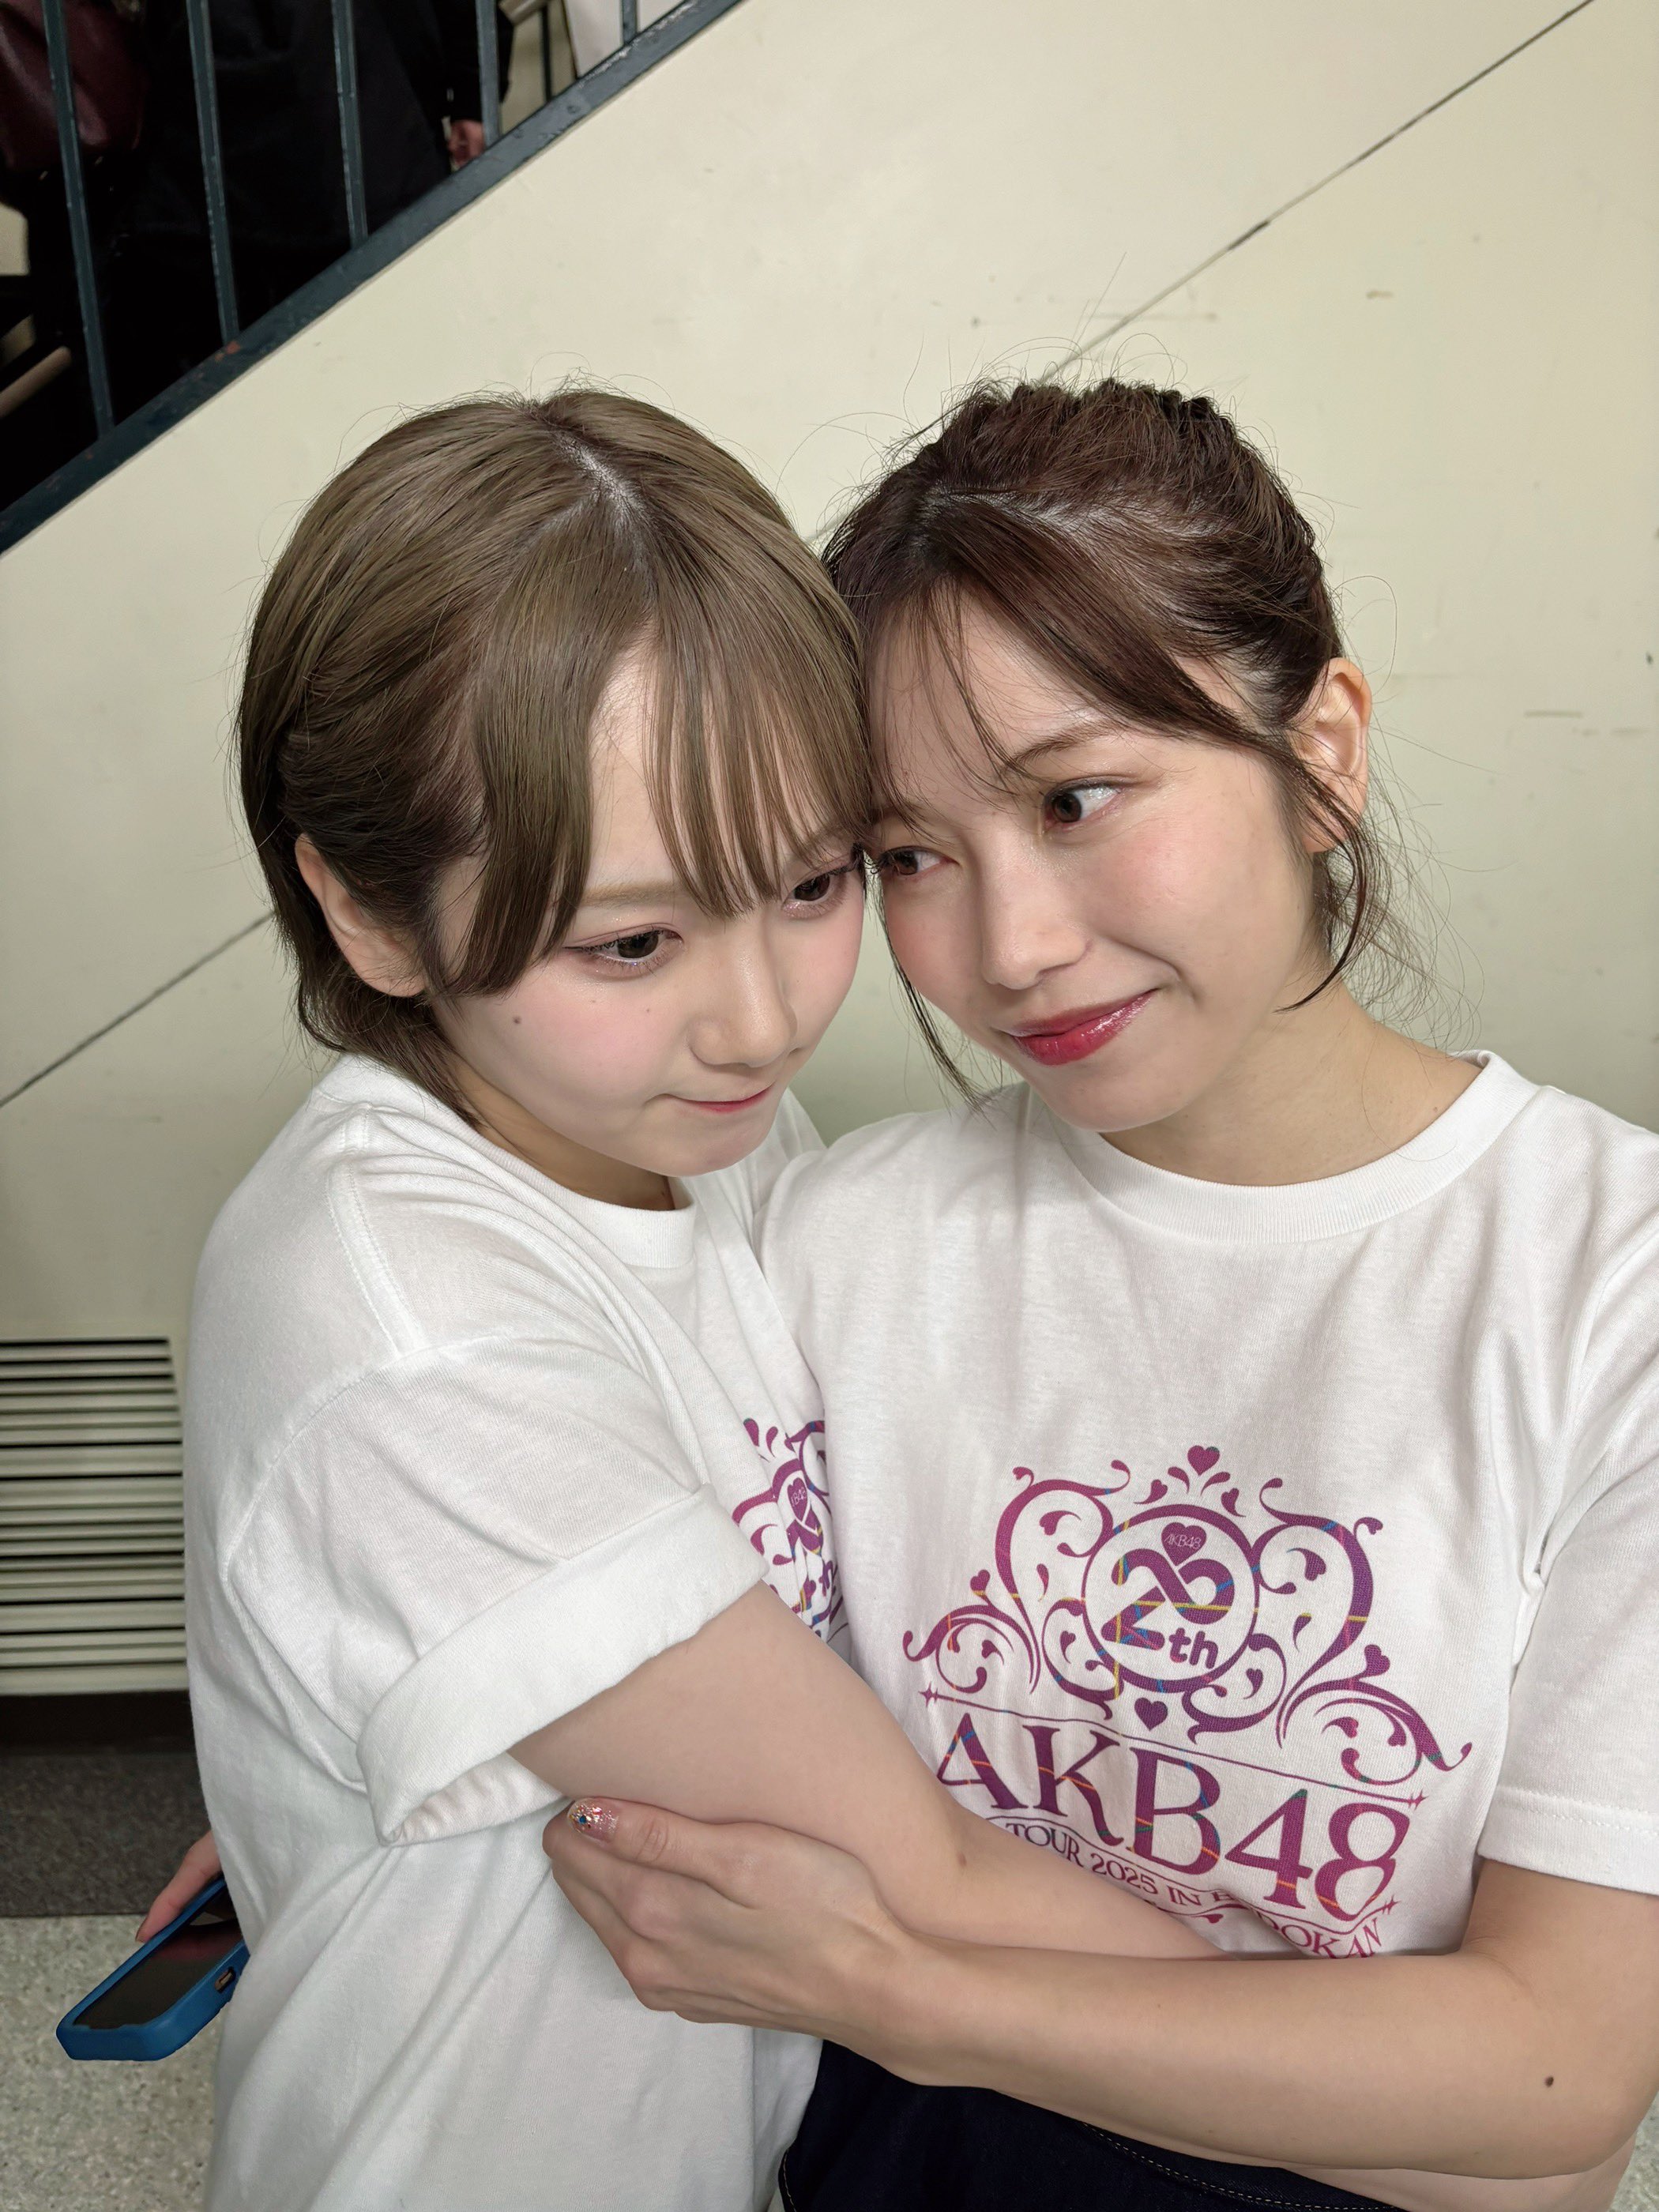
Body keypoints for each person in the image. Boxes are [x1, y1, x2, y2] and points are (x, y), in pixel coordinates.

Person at [186, 385, 1375, 2212]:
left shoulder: (678, 1127)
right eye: (633, 940)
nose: (763, 1017)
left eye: (817, 881)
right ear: (371, 916)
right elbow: (919, 1875)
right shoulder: (407, 1321)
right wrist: (1430, 2089)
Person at [540, 379, 1659, 2212]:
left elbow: (1558, 2061)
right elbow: (627, 1631)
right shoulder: (842, 1238)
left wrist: (903, 1990)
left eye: (1076, 797)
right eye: (911, 855)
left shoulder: (1610, 1286)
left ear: (1323, 753)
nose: (1013, 945)